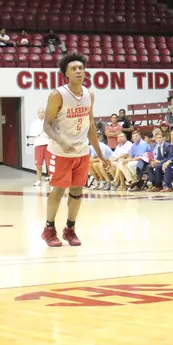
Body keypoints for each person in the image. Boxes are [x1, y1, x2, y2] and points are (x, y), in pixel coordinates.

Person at [41, 52, 109, 247]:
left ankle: (70, 229)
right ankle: (49, 229)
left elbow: (91, 126)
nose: (79, 71)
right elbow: (47, 125)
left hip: (82, 151)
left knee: (77, 190)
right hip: (60, 151)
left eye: (81, 68)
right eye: (74, 69)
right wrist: (61, 141)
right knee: (59, 189)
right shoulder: (57, 95)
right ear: (66, 74)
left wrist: (100, 154)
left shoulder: (90, 95)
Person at [28, 107, 50, 186]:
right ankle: (39, 180)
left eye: (43, 112)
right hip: (38, 144)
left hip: (48, 144)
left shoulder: (48, 123)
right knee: (38, 164)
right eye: (40, 112)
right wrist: (41, 134)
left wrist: (44, 135)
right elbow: (34, 134)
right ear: (37, 114)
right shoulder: (34, 124)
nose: (41, 114)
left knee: (49, 163)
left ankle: (51, 178)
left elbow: (49, 134)